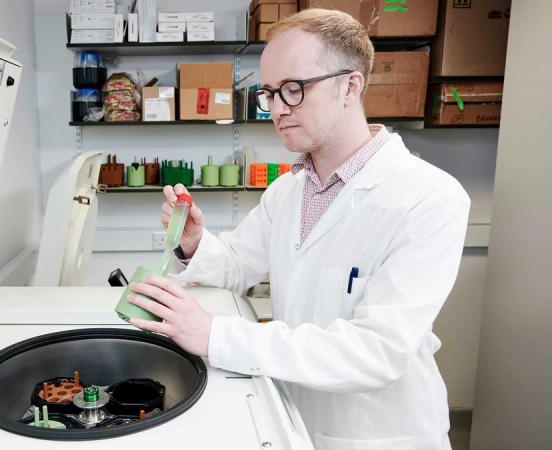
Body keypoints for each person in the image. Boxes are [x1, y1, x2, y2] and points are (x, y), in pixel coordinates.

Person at [126, 8, 470, 450]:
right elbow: (237, 265)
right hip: (291, 415)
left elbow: (378, 351)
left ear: (350, 86)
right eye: (269, 93)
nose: (277, 109)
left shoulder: (430, 198)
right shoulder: (288, 189)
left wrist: (217, 335)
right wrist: (193, 244)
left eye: (294, 89)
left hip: (375, 433)